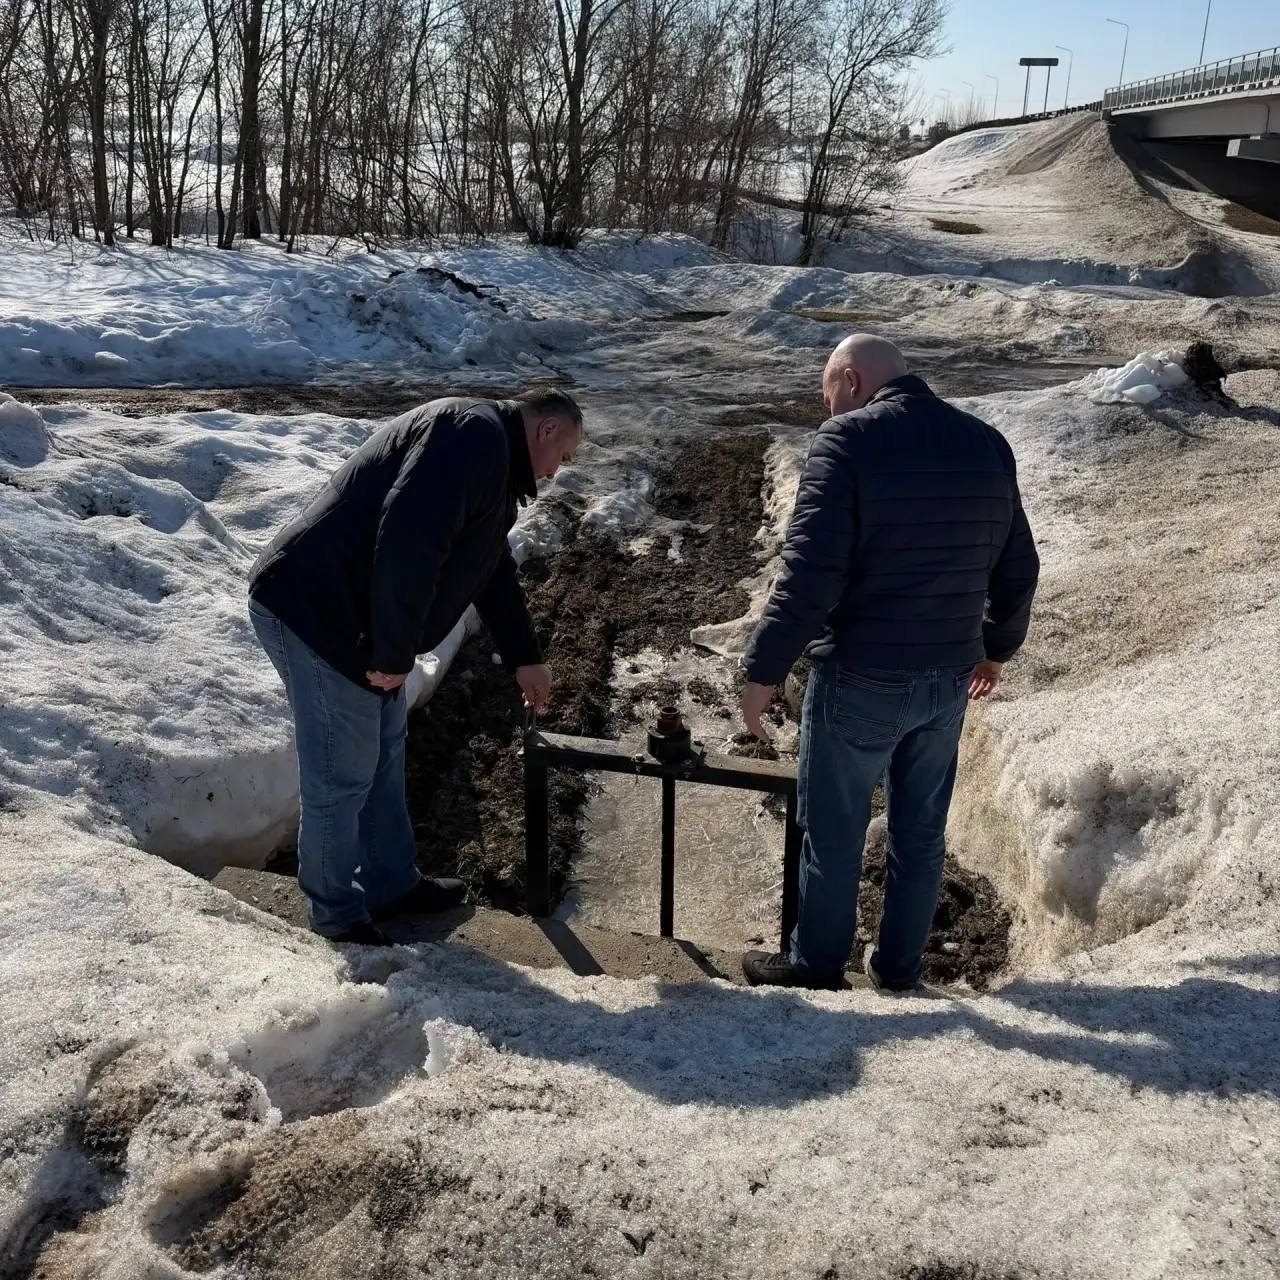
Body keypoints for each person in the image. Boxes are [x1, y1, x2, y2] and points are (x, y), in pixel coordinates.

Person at [739, 336, 1038, 991]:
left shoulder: (846, 442)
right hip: (948, 681)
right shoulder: (986, 443)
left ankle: (815, 968)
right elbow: (1020, 566)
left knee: (834, 831)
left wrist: (764, 672)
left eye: (827, 394)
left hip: (863, 676)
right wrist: (995, 646)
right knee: (921, 834)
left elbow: (810, 576)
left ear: (849, 379)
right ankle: (899, 972)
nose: (828, 408)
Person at [247, 388, 584, 945]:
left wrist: (525, 657)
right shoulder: (472, 438)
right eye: (564, 456)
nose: (556, 473)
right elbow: (408, 542)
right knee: (342, 770)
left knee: (384, 749)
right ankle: (337, 918)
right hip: (315, 611)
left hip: (354, 617)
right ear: (546, 430)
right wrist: (389, 653)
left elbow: (489, 567)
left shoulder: (491, 458)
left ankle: (391, 884)